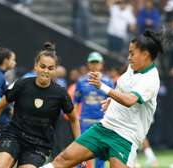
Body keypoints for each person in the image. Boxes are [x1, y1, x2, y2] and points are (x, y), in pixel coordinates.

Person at [41, 29, 166, 168]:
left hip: (125, 137)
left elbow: (129, 100)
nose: (128, 57)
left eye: (132, 53)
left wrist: (102, 86)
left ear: (145, 55)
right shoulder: (133, 67)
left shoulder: (150, 79)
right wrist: (112, 100)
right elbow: (123, 88)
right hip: (105, 127)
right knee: (64, 159)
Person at [0, 42, 80, 168]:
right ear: (36, 66)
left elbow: (74, 120)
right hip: (14, 135)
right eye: (42, 66)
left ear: (55, 70)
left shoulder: (61, 93)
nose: (45, 71)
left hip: (39, 145)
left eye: (50, 68)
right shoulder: (21, 84)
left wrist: (78, 146)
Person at [74, 52, 114, 168]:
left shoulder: (108, 81)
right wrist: (76, 120)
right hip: (85, 122)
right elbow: (76, 103)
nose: (94, 65)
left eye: (97, 62)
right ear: (88, 64)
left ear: (101, 64)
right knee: (81, 154)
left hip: (103, 122)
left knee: (101, 155)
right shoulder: (81, 81)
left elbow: (112, 103)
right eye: (92, 62)